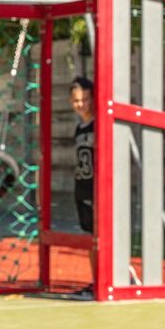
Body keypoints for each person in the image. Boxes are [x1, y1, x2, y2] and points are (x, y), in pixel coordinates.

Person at [70, 76, 95, 234]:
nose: (81, 104)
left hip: (95, 187)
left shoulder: (97, 124)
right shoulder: (79, 128)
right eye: (76, 100)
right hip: (82, 186)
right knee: (87, 233)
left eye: (85, 99)